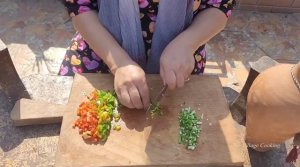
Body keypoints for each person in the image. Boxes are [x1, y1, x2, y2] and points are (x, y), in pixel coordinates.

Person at [59, 0, 236, 109]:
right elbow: (79, 5)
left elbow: (218, 5)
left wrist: (187, 44)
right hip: (99, 53)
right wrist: (119, 64)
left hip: (179, 61)